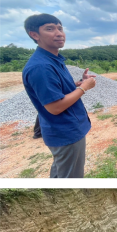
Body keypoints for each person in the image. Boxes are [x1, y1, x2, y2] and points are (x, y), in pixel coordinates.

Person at [21, 13, 95, 178]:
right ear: (34, 35)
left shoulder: (53, 60)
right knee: (70, 179)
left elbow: (57, 89)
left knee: (61, 173)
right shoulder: (41, 67)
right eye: (50, 28)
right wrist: (83, 88)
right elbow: (55, 107)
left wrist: (77, 83)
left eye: (60, 28)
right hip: (65, 131)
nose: (59, 33)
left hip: (65, 129)